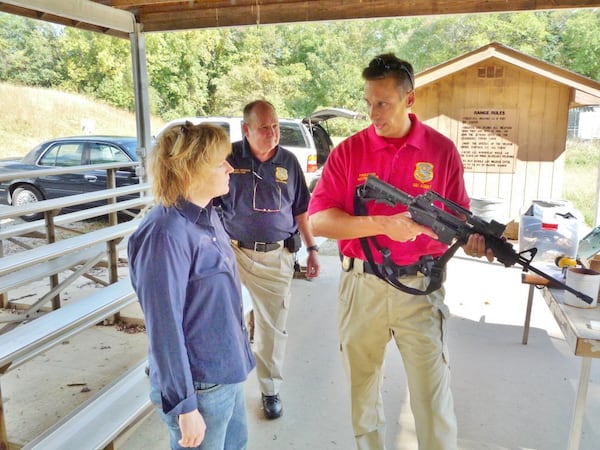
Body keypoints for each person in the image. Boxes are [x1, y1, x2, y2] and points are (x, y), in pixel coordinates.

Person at [308, 53, 492, 450]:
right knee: (363, 392)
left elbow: (455, 224)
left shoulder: (441, 152)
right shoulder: (349, 152)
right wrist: (382, 224)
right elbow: (319, 220)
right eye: (368, 102)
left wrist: (473, 243)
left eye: (383, 103)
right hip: (362, 287)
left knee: (431, 397)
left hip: (420, 287)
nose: (373, 113)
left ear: (409, 100)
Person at [128, 122, 255, 449]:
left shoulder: (207, 216)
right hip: (198, 386)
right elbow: (164, 327)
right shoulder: (164, 235)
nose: (230, 167)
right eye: (219, 162)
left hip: (225, 372)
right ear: (190, 171)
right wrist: (184, 405)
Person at [216, 99, 321, 420]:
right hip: (230, 252)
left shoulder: (288, 161)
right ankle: (223, 383)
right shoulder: (228, 157)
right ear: (246, 130)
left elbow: (301, 209)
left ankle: (269, 389)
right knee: (221, 318)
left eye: (275, 126)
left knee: (273, 328)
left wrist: (312, 248)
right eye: (264, 128)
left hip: (275, 255)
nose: (272, 133)